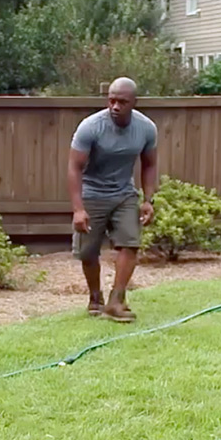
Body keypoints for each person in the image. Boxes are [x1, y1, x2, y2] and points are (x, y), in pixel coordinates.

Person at [67, 77, 158, 323]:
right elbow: (74, 167)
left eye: (122, 102)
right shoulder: (91, 126)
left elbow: (149, 164)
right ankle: (95, 297)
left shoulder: (146, 128)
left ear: (134, 103)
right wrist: (78, 209)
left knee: (130, 243)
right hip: (93, 193)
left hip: (123, 194)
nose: (115, 106)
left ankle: (116, 300)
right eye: (111, 100)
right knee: (88, 252)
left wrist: (148, 199)